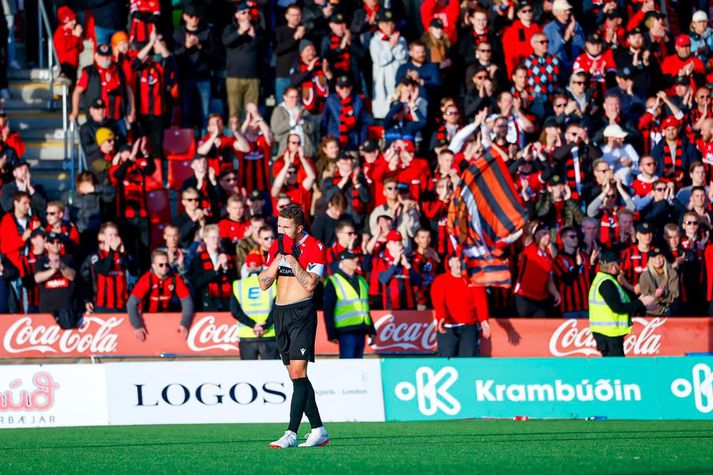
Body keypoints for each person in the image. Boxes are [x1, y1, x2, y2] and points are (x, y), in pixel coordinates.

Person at [258, 204, 329, 448]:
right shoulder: (276, 246)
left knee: (299, 373)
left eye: (285, 227)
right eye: (279, 225)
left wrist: (291, 258)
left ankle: (291, 433)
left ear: (299, 228)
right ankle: (319, 429)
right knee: (295, 376)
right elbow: (264, 283)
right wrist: (278, 260)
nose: (280, 230)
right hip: (280, 314)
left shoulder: (315, 247)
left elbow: (310, 284)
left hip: (302, 313)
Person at [588, 251, 654, 357]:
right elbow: (617, 307)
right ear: (612, 267)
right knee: (616, 368)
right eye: (618, 264)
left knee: (613, 367)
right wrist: (641, 303)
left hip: (607, 333)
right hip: (609, 334)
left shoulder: (603, 279)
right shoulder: (606, 283)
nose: (621, 267)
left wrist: (637, 300)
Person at [127, 249, 194, 342]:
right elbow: (131, 304)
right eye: (161, 265)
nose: (164, 268)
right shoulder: (147, 280)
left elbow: (187, 301)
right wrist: (137, 325)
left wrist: (184, 324)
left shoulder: (174, 278)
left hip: (168, 320)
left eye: (167, 264)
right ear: (153, 266)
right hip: (148, 320)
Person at [431, 255, 491, 357]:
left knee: (468, 359)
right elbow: (438, 302)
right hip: (448, 327)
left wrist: (483, 320)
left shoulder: (474, 280)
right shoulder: (440, 281)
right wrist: (441, 317)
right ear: (450, 263)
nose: (459, 265)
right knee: (446, 359)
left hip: (469, 326)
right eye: (456, 261)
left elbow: (481, 302)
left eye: (462, 261)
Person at [323, 249, 374, 358]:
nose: (356, 260)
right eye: (352, 258)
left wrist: (371, 330)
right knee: (348, 365)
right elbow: (328, 310)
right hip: (346, 330)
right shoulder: (333, 281)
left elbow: (364, 307)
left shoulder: (361, 280)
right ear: (343, 262)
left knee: (357, 365)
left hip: (361, 329)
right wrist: (331, 333)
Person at [231, 253, 279, 360]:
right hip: (269, 334)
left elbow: (234, 311)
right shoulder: (274, 283)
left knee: (248, 374)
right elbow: (278, 309)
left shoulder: (238, 285)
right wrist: (264, 326)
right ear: (262, 266)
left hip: (247, 335)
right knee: (272, 374)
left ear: (247, 267)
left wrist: (253, 325)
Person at [639, 247, 679, 316]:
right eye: (654, 257)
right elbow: (645, 298)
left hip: (668, 312)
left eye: (660, 257)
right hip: (650, 314)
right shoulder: (644, 276)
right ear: (650, 260)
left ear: (664, 258)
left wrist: (664, 293)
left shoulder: (672, 273)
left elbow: (675, 296)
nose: (657, 260)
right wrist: (656, 295)